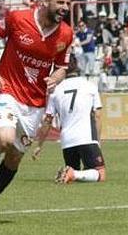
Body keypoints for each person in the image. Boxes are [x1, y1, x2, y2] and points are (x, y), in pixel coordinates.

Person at [0, 0, 74, 226]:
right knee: (4, 140)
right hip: (8, 90)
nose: (65, 7)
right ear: (45, 1)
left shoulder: (65, 34)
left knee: (13, 159)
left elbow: (63, 65)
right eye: (60, 2)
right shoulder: (17, 18)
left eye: (67, 3)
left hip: (35, 103)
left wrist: (58, 75)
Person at [32, 55, 106, 184]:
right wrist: (98, 141)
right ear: (77, 66)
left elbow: (47, 121)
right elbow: (97, 115)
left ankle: (72, 173)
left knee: (78, 175)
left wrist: (39, 145)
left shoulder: (55, 91)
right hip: (86, 137)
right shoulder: (90, 86)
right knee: (100, 174)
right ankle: (73, 173)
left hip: (66, 141)